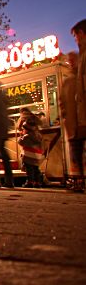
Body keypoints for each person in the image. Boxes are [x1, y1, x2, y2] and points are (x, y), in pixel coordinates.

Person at [60, 49, 85, 192]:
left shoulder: (79, 77)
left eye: (73, 59)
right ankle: (78, 181)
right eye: (70, 60)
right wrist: (65, 116)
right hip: (73, 123)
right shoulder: (68, 80)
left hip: (82, 121)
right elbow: (62, 100)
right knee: (75, 153)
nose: (71, 62)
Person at [18, 120, 44, 188]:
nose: (23, 130)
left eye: (23, 129)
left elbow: (20, 142)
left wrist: (21, 136)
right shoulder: (38, 135)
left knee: (29, 170)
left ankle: (30, 182)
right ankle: (37, 182)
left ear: (27, 129)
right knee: (36, 169)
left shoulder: (27, 136)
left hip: (28, 156)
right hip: (37, 155)